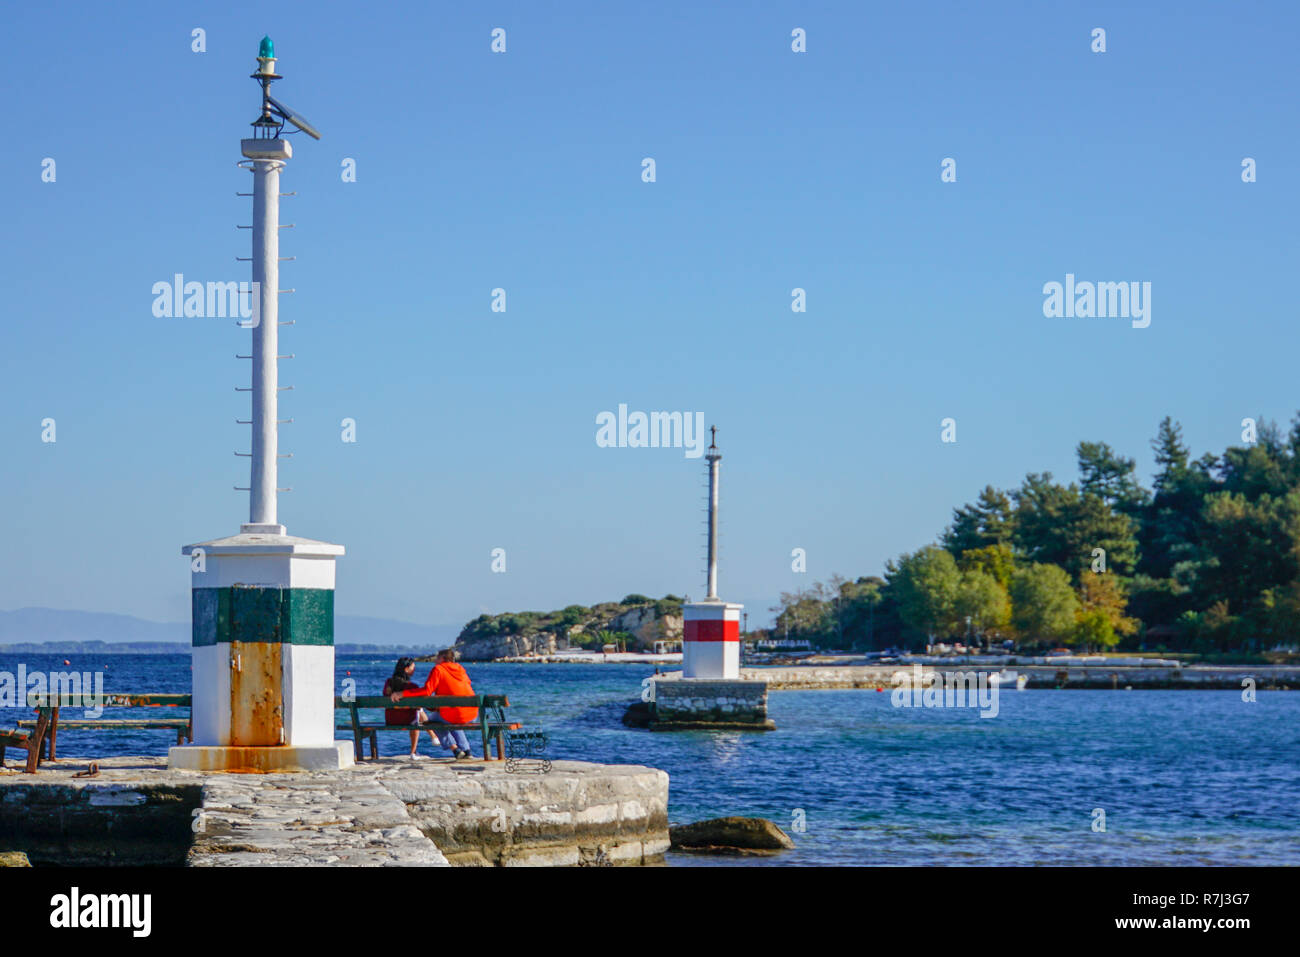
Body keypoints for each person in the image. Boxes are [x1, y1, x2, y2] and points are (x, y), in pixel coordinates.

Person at [392, 649, 477, 759]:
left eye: (437, 658)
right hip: (472, 714)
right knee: (452, 718)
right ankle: (467, 750)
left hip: (455, 713)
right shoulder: (461, 669)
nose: (435, 660)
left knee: (431, 721)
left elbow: (427, 691)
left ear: (442, 658)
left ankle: (455, 749)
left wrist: (402, 693)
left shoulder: (438, 669)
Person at [382, 657, 443, 759]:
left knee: (416, 713)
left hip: (391, 720)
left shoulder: (388, 683)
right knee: (418, 712)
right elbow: (420, 704)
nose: (414, 669)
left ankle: (433, 737)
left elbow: (385, 695)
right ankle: (414, 751)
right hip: (408, 720)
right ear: (406, 669)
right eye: (413, 667)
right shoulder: (412, 686)